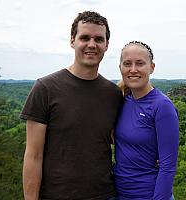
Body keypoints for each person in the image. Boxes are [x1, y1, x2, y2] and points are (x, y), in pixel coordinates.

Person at [20, 11, 123, 200]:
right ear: (72, 41)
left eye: (99, 39)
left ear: (106, 45)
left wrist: (157, 154)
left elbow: (124, 139)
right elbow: (33, 156)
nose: (92, 44)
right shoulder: (45, 88)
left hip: (105, 195)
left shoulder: (113, 94)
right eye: (85, 37)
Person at [113, 41, 179, 200]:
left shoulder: (162, 106)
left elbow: (168, 167)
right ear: (120, 67)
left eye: (140, 63)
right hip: (117, 193)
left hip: (148, 194)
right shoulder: (122, 100)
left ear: (152, 67)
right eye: (127, 63)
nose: (133, 69)